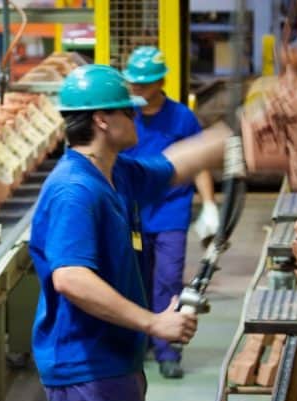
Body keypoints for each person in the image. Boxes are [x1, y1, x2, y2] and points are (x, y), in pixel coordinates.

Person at [29, 64, 231, 401]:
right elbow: (71, 278)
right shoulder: (75, 190)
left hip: (112, 361)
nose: (137, 116)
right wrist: (153, 323)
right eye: (128, 110)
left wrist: (243, 133)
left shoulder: (113, 172)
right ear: (103, 120)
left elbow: (174, 165)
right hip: (89, 367)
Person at [121, 45, 219, 378]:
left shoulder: (181, 118)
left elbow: (200, 163)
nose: (137, 88)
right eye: (134, 82)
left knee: (167, 278)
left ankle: (167, 350)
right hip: (134, 211)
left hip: (170, 211)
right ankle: (140, 341)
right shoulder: (125, 116)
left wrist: (209, 205)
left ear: (161, 82)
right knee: (135, 278)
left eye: (144, 83)